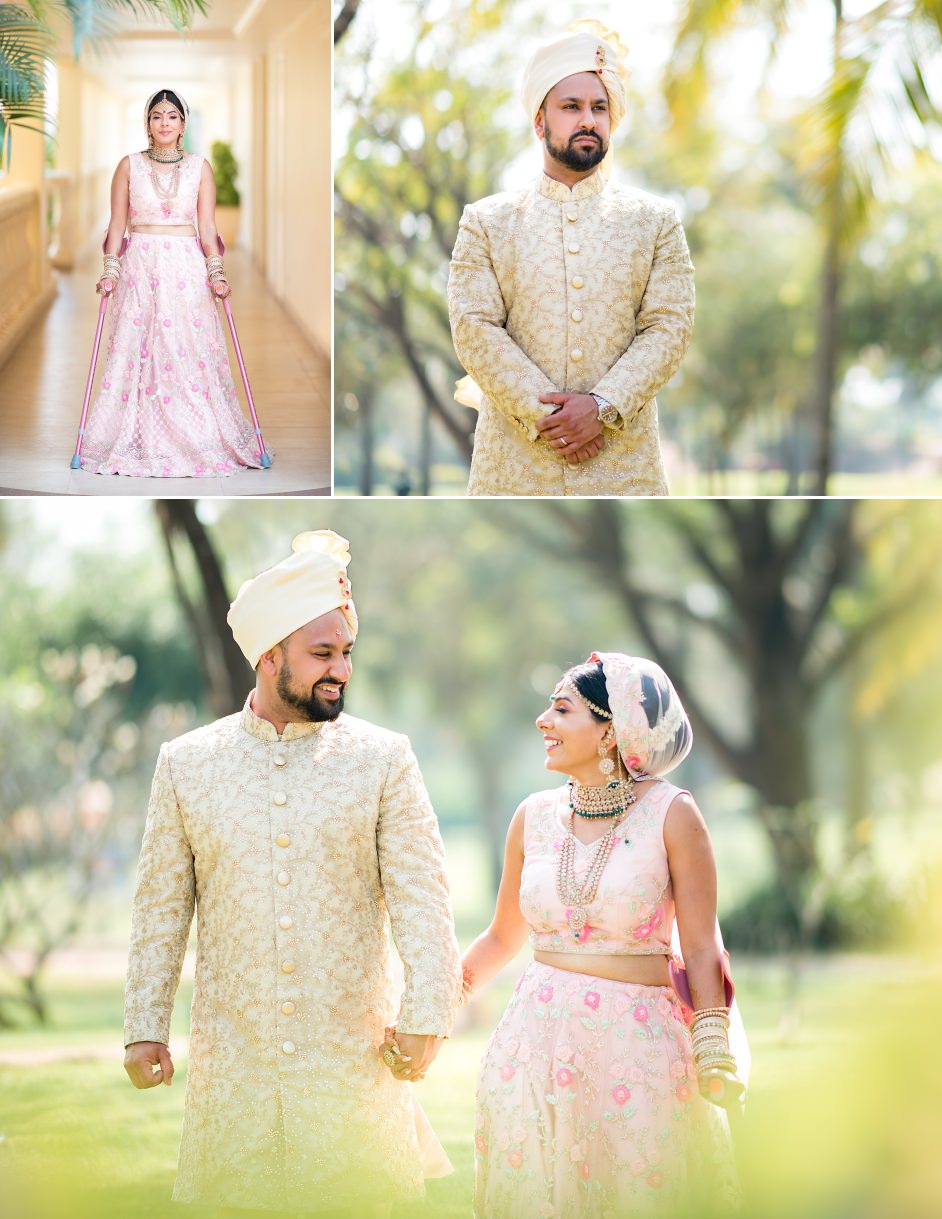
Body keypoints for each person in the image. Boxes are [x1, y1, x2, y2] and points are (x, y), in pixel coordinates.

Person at [122, 530, 460, 1215]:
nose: (341, 668)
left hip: (352, 1072)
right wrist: (144, 1023)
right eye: (322, 653)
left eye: (347, 653)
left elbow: (424, 899)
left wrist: (428, 1015)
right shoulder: (186, 764)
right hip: (233, 1072)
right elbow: (160, 909)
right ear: (268, 654)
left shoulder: (383, 759)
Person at [462, 652, 748, 1217]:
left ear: (610, 732)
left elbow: (697, 945)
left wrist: (713, 1051)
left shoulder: (673, 815)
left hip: (636, 1050)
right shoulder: (533, 816)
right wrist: (436, 1005)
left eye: (561, 709)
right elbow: (500, 939)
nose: (543, 721)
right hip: (531, 1046)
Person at [447, 22, 695, 496]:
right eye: (571, 107)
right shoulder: (487, 222)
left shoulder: (655, 221)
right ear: (540, 121)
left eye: (599, 108)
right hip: (513, 473)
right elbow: (474, 327)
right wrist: (555, 420)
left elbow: (670, 328)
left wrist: (602, 408)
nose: (589, 120)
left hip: (626, 472)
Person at [77, 88, 269, 477]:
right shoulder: (129, 166)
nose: (164, 123)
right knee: (138, 349)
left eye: (172, 116)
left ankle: (195, 436)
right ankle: (136, 436)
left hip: (185, 269)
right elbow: (116, 224)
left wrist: (216, 271)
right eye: (157, 116)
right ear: (147, 124)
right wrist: (110, 268)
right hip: (140, 267)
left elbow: (208, 227)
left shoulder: (200, 167)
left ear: (183, 124)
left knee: (184, 350)